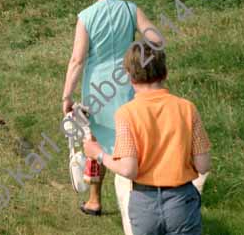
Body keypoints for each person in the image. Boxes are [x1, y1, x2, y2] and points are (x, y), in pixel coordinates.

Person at [61, 0, 160, 226]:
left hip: (97, 87)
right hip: (128, 82)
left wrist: (66, 97)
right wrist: (135, 52)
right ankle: (137, 196)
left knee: (95, 141)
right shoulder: (130, 9)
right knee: (129, 137)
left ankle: (94, 199)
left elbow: (77, 60)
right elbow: (156, 39)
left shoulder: (86, 16)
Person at [83, 45, 211, 235]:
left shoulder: (126, 114)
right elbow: (203, 165)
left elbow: (128, 169)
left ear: (129, 75)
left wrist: (98, 153)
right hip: (181, 201)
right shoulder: (187, 108)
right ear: (165, 72)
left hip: (144, 204)